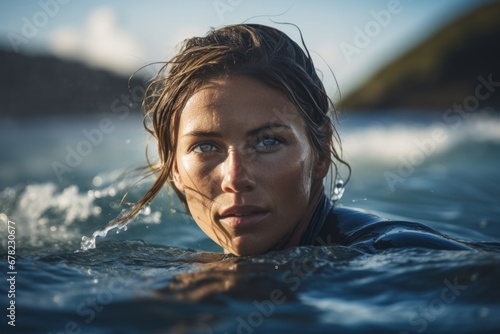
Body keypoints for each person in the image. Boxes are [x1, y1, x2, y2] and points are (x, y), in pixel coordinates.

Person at [113, 24, 470, 256]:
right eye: (206, 147)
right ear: (173, 166)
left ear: (320, 152)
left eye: (267, 142)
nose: (235, 177)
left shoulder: (400, 254)